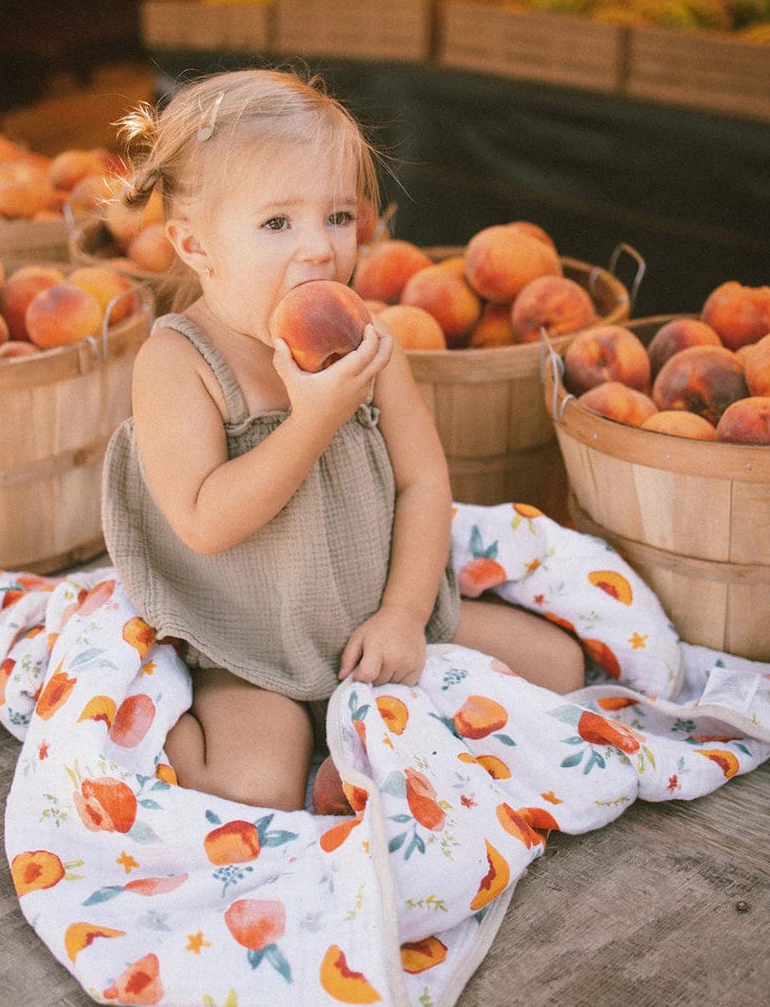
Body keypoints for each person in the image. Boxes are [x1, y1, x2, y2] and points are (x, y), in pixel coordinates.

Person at [102, 67, 584, 815]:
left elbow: (423, 482)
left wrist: (401, 616)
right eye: (276, 224)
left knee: (562, 668)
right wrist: (313, 420)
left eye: (337, 216)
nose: (321, 249)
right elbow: (205, 520)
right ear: (195, 244)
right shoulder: (178, 363)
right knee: (255, 789)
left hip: (372, 616)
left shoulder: (364, 339)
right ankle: (161, 726)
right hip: (254, 642)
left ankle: (361, 740)